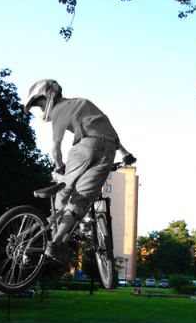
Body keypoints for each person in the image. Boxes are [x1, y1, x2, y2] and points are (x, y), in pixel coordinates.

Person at [24, 79, 135, 262]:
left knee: (63, 192)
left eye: (41, 104)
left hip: (84, 148)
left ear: (49, 95)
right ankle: (57, 242)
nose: (42, 109)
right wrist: (125, 153)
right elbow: (109, 132)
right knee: (81, 199)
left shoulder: (59, 110)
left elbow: (55, 149)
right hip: (108, 150)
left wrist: (58, 166)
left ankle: (54, 239)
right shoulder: (84, 102)